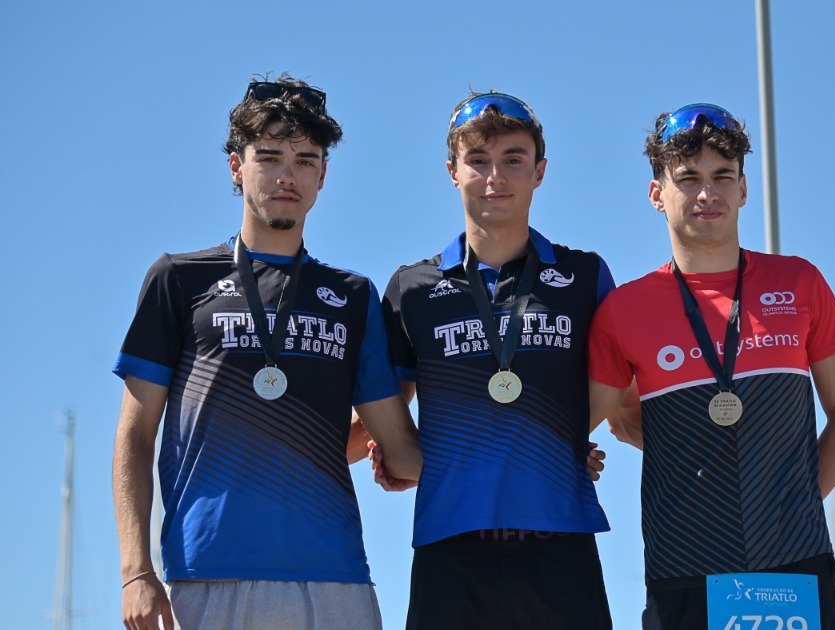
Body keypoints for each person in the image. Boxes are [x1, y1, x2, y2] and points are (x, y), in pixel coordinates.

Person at [111, 74, 421, 630]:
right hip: (204, 576)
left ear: (323, 174)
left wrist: (549, 457)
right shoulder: (178, 280)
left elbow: (398, 444)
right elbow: (135, 434)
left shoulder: (352, 297)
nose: (287, 175)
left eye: (306, 159)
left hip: (335, 579)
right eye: (270, 156)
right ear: (237, 166)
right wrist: (136, 571)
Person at [587, 103, 835, 630]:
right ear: (657, 195)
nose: (706, 194)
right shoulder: (624, 310)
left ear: (743, 189)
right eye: (688, 178)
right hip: (683, 564)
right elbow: (611, 420)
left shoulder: (801, 282)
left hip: (796, 560)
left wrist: (792, 502)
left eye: (723, 177)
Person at [377, 91, 614, 629]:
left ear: (540, 171)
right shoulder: (411, 288)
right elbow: (385, 415)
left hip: (561, 548)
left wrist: (565, 440)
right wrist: (391, 455)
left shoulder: (585, 277)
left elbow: (615, 392)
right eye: (478, 161)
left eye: (513, 159)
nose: (495, 177)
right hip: (451, 552)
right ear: (452, 171)